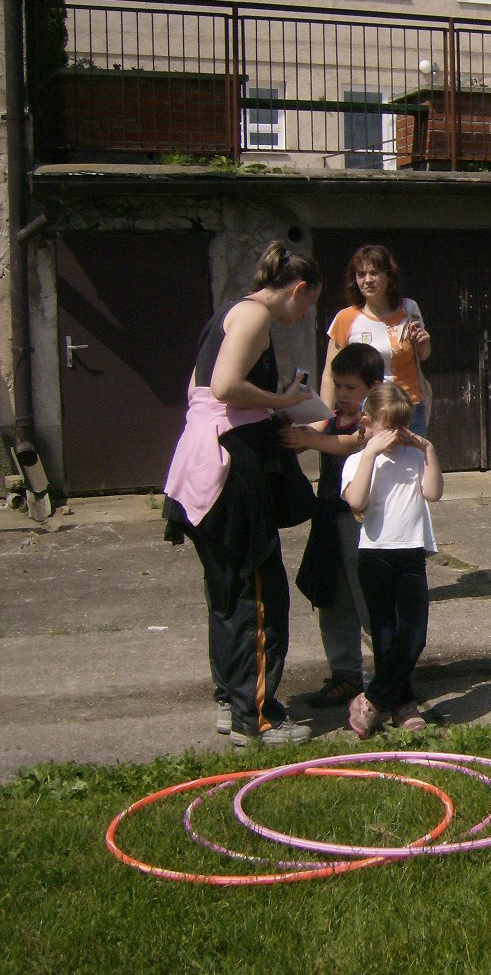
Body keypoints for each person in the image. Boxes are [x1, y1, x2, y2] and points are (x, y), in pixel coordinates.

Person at [162, 241, 323, 747]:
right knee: (259, 596)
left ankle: (231, 705)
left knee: (228, 592)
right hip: (230, 472)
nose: (303, 316)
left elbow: (200, 388)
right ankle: (257, 720)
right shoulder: (254, 317)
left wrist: (266, 412)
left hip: (200, 462)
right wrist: (282, 400)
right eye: (307, 304)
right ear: (298, 289)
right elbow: (228, 385)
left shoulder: (226, 314)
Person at [280, 342, 384, 708]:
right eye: (337, 385)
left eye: (350, 387)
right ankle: (345, 673)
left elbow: (352, 443)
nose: (341, 394)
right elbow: (314, 435)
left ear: (373, 387)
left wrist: (313, 439)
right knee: (332, 594)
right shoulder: (330, 421)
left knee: (367, 594)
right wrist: (293, 431)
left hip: (359, 522)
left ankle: (392, 673)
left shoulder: (373, 421)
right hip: (328, 517)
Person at [342, 382, 444, 737]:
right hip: (374, 557)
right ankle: (402, 704)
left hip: (410, 555)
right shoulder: (358, 461)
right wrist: (369, 454)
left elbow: (433, 492)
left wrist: (428, 449)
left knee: (413, 637)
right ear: (367, 423)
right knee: (384, 637)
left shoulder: (415, 457)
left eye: (404, 426)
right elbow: (356, 501)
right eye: (390, 427)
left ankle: (371, 700)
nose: (398, 435)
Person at [322, 244, 432, 434]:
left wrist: (424, 344)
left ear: (389, 276)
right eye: (361, 274)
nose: (368, 280)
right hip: (367, 413)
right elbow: (329, 375)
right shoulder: (346, 318)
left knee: (411, 463)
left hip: (408, 409)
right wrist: (325, 419)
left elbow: (422, 356)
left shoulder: (409, 309)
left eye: (374, 273)